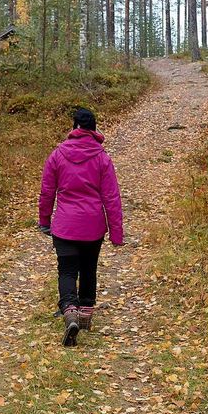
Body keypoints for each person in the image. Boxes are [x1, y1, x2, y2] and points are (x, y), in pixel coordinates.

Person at [38, 107, 123, 347]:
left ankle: (69, 310)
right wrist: (116, 234)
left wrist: (45, 221)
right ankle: (84, 316)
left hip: (65, 225)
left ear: (74, 128)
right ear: (94, 129)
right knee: (88, 268)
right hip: (92, 226)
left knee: (66, 271)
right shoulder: (102, 158)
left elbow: (47, 192)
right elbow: (112, 198)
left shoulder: (57, 155)